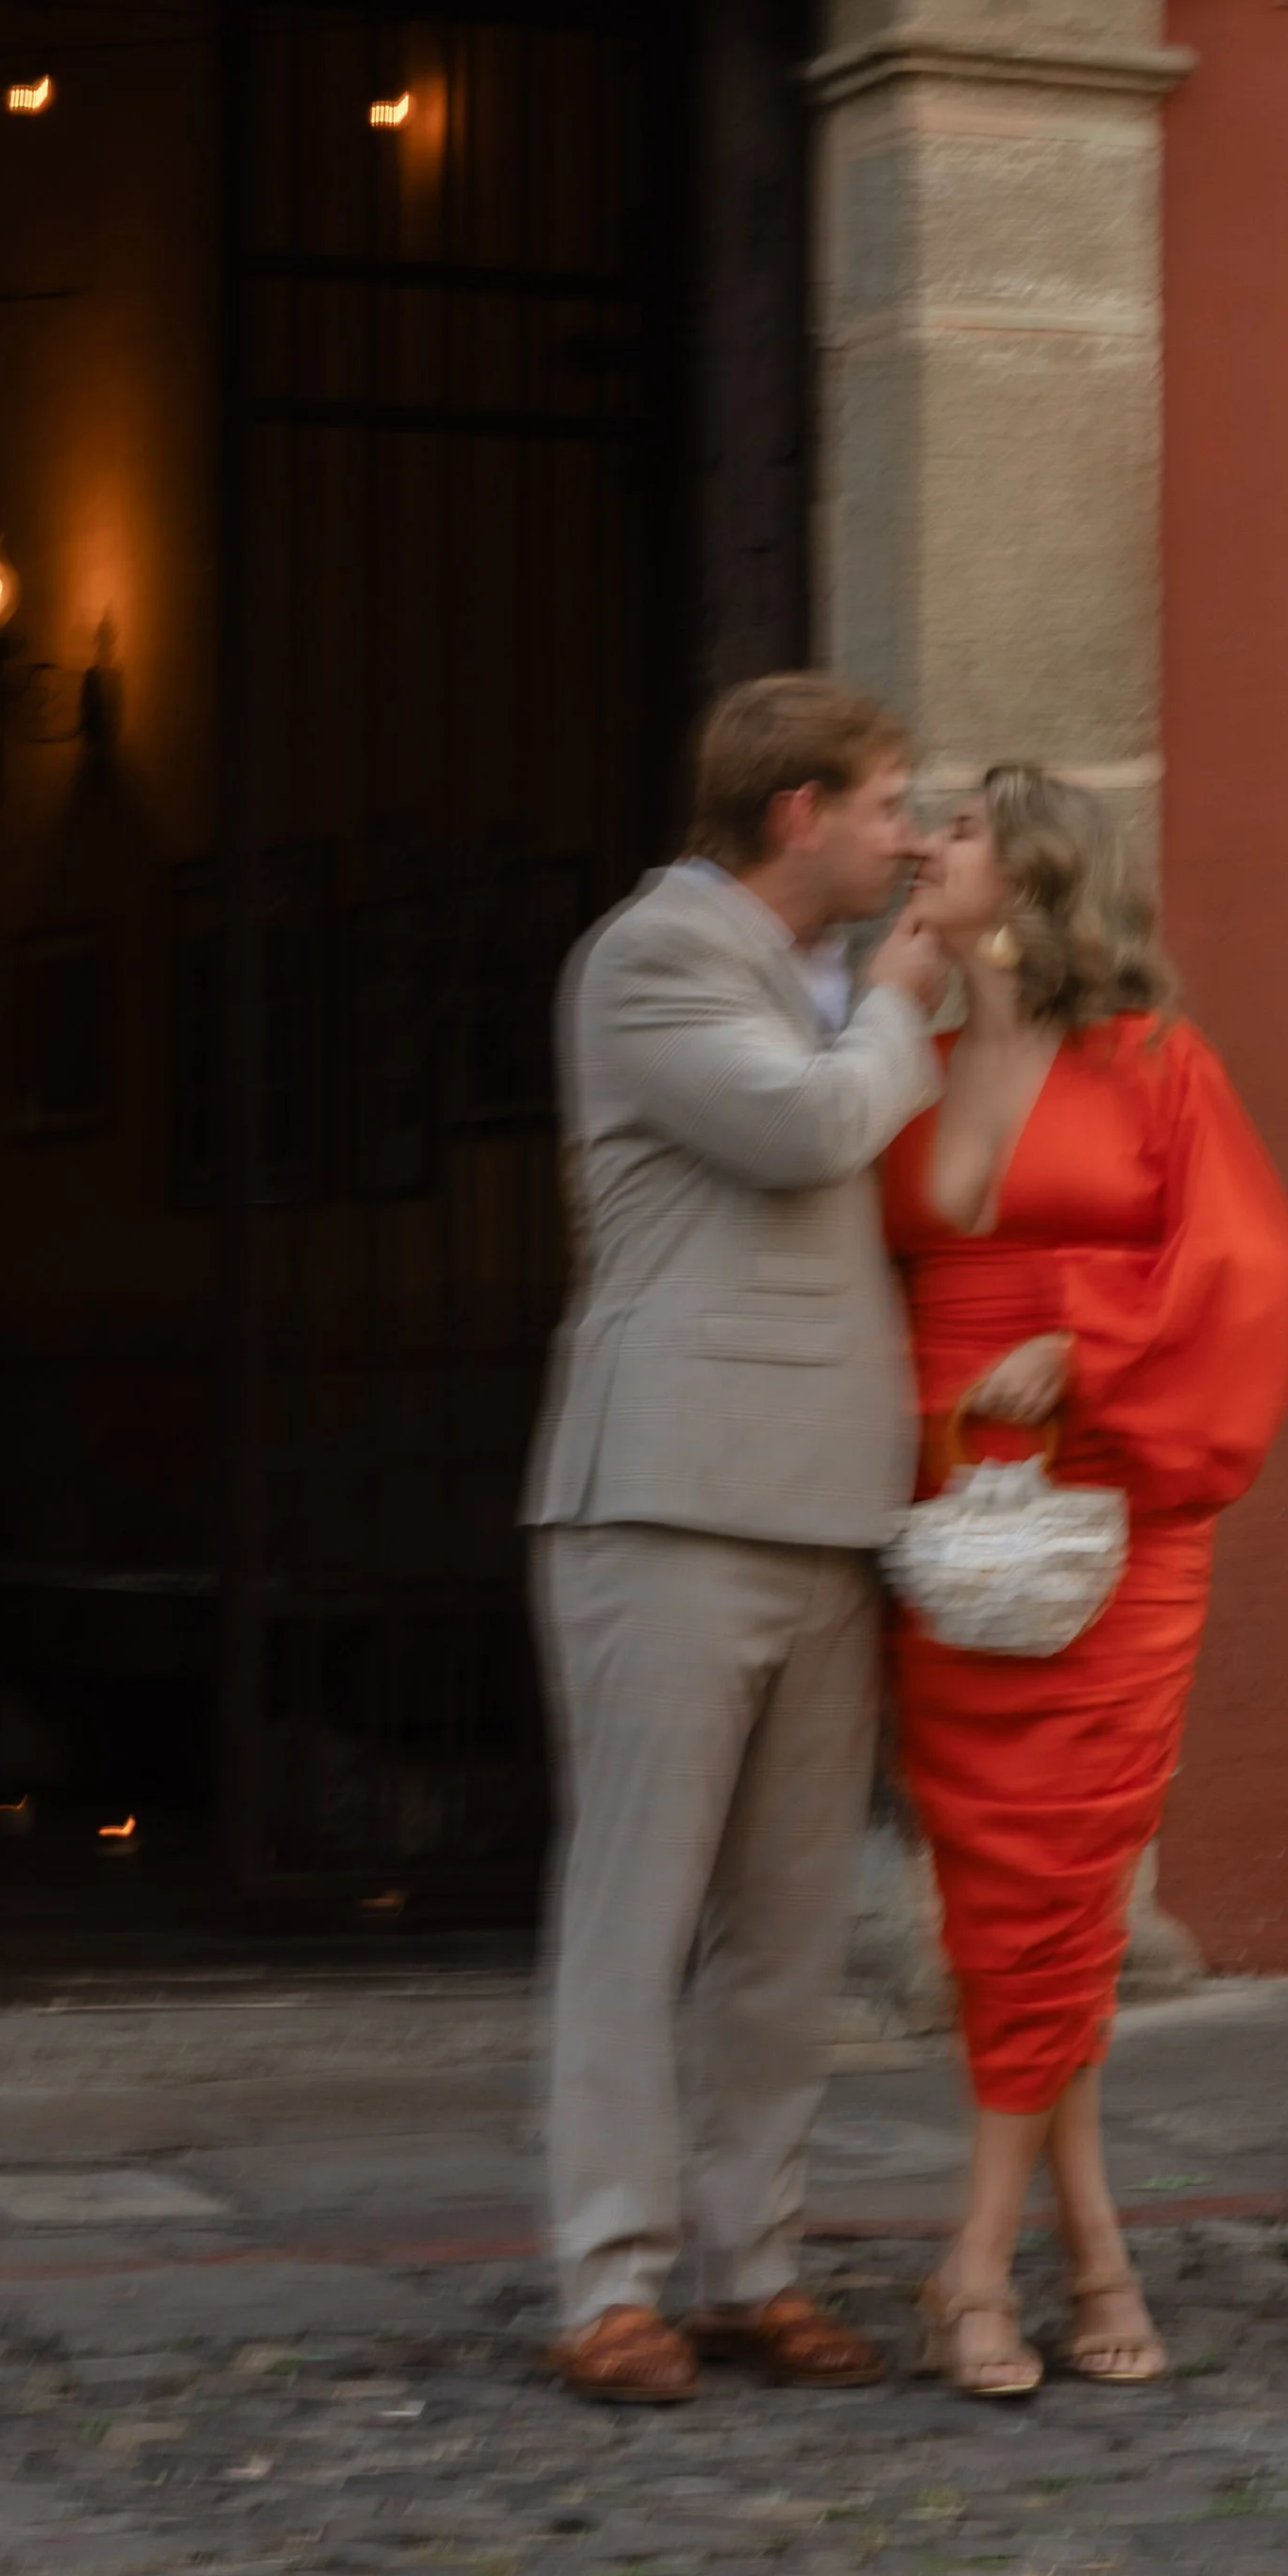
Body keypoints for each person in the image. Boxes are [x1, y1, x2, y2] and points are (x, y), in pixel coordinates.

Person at [524, 673, 946, 2404]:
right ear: (800, 813)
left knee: (785, 1925)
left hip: (830, 1498)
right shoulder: (657, 957)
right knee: (642, 1906)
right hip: (670, 1492)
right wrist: (913, 990)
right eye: (887, 802)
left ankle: (752, 2262)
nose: (909, 835)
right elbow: (807, 1125)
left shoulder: (840, 980)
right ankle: (607, 2276)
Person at [880, 766, 1288, 2397]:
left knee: (1067, 1878)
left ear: (1041, 880)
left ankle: (975, 2265)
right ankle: (1099, 2240)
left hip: (1114, 1502)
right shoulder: (900, 1058)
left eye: (960, 832)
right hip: (944, 1512)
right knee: (1005, 1903)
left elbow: (1253, 1263)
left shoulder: (1152, 1061)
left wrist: (1096, 1342)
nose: (926, 845)